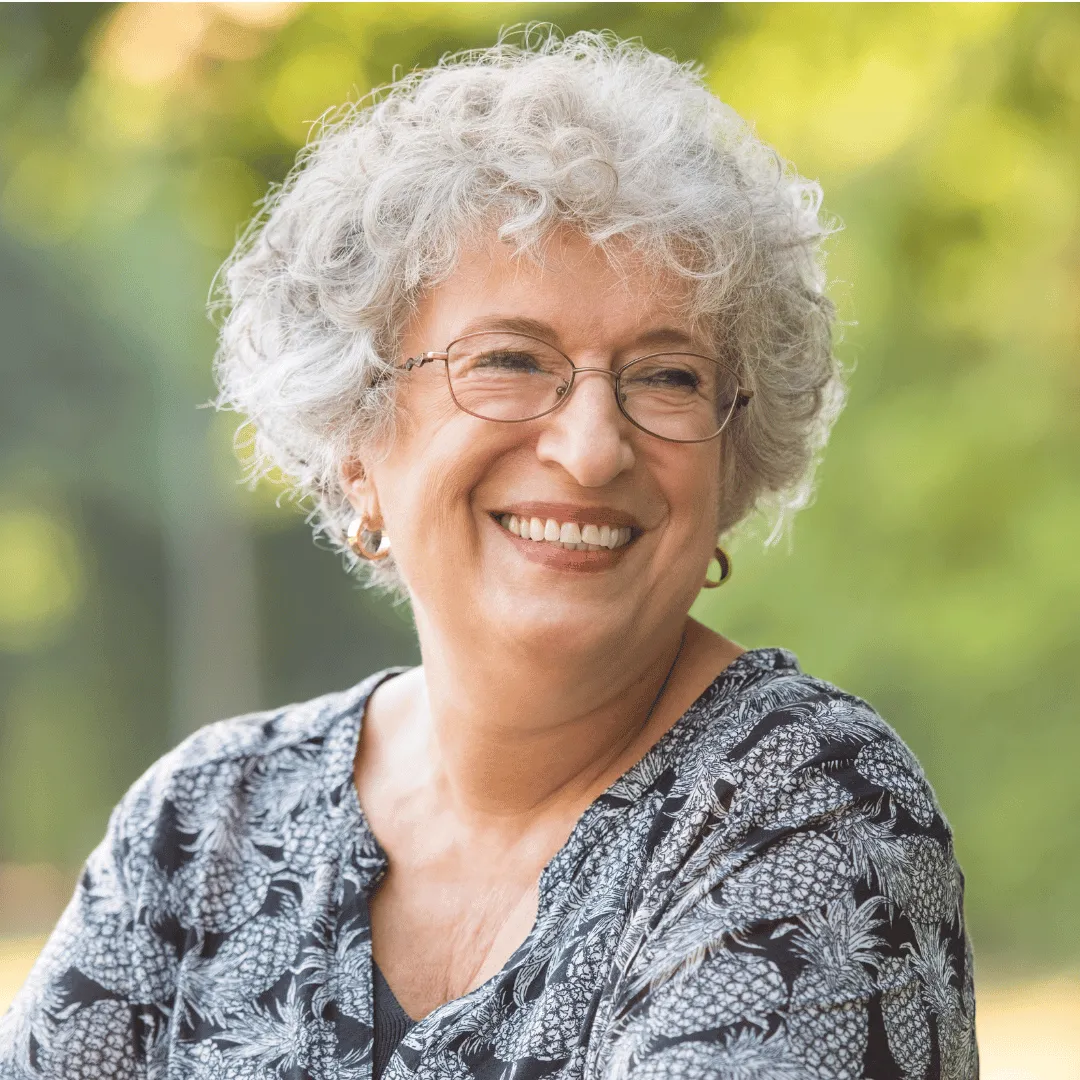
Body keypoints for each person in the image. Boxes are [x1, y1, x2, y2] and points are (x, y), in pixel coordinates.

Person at [0, 30, 977, 1080]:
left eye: (667, 377)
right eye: (511, 360)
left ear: (731, 462)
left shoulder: (810, 807)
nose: (593, 449)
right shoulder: (202, 826)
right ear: (358, 441)